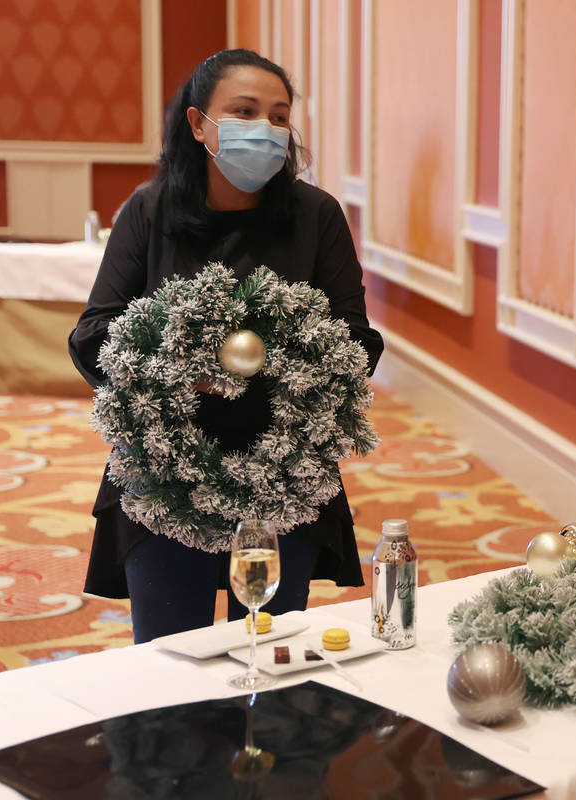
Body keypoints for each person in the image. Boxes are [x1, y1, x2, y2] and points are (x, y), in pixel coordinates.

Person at [69, 49, 384, 644]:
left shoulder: (317, 216)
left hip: (284, 472)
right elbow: (93, 334)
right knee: (169, 657)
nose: (264, 130)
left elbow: (357, 341)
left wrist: (264, 370)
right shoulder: (149, 211)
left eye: (278, 116)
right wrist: (180, 372)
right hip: (162, 469)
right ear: (198, 124)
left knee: (267, 656)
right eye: (243, 111)